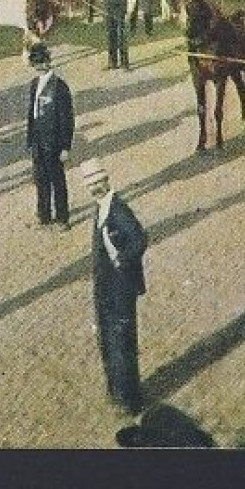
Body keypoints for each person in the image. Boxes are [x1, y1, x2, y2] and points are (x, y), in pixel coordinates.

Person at [79, 157, 147, 416]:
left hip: (121, 288)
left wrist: (122, 257)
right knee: (108, 342)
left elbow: (140, 239)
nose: (95, 188)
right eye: (91, 184)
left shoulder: (118, 210)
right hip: (106, 288)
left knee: (123, 345)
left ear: (107, 181)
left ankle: (130, 400)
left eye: (98, 183)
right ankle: (117, 392)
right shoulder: (101, 207)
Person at [24, 42, 74, 229]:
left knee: (57, 181)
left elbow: (67, 119)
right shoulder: (34, 84)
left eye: (42, 62)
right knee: (41, 180)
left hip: (54, 141)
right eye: (36, 63)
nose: (39, 66)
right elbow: (31, 114)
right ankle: (44, 216)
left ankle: (62, 218)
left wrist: (65, 146)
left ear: (48, 62)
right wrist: (30, 139)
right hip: (38, 140)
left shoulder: (59, 87)